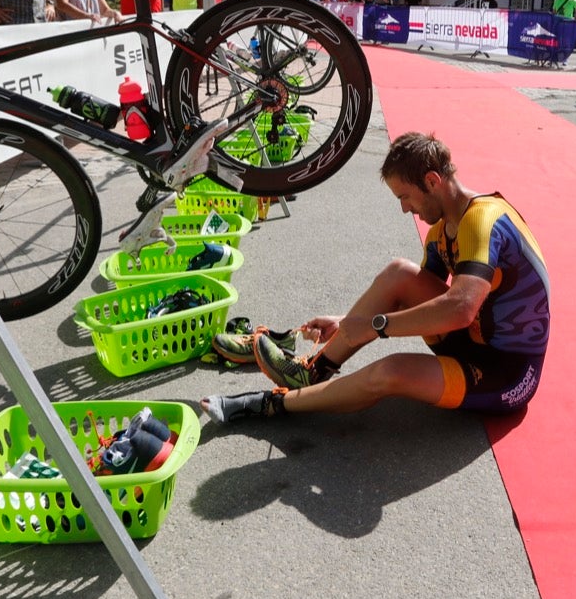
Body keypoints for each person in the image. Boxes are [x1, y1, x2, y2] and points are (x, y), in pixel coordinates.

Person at [201, 131, 550, 423]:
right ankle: (312, 370)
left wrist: (373, 326)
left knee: (389, 373)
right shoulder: (441, 230)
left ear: (432, 181)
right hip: (471, 340)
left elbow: (459, 309)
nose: (404, 208)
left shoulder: (483, 219)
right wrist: (347, 322)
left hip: (508, 372)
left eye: (406, 197)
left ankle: (270, 403)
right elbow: (415, 296)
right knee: (400, 272)